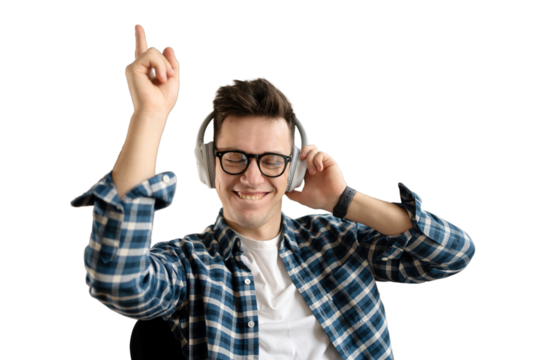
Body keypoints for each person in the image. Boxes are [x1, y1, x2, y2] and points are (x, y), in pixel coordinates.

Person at [69, 24, 476, 360]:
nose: (252, 176)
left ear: (293, 167)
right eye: (235, 157)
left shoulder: (336, 240)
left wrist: (344, 200)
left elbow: (452, 254)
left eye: (271, 160)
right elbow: (115, 279)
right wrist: (150, 114)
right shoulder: (187, 265)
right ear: (210, 164)